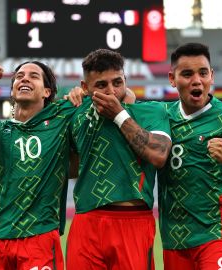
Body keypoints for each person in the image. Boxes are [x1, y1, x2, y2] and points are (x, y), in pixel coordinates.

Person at [156, 42, 222, 270]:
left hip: (216, 235)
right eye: (187, 74)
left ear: (211, 76)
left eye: (203, 73)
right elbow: (125, 102)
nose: (197, 80)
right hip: (174, 240)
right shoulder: (161, 117)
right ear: (172, 79)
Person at [65, 48, 172, 270]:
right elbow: (69, 169)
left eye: (117, 82)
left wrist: (119, 115)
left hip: (132, 221)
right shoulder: (76, 114)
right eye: (101, 85)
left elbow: (159, 155)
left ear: (126, 80)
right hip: (86, 221)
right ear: (85, 88)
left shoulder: (152, 112)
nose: (112, 91)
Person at [0, 61, 76, 270]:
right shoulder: (1, 130)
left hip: (40, 237)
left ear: (46, 91)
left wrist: (80, 93)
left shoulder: (60, 120)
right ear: (13, 90)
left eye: (33, 75)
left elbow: (114, 95)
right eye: (19, 76)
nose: (24, 78)